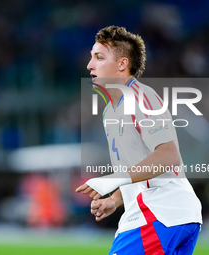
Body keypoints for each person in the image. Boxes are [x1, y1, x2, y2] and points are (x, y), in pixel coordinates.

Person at [76, 26, 202, 255]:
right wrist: (114, 200)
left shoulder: (141, 97)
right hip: (165, 214)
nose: (90, 65)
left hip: (159, 211)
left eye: (99, 57)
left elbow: (168, 156)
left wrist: (113, 179)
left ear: (122, 64)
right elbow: (140, 168)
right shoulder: (110, 112)